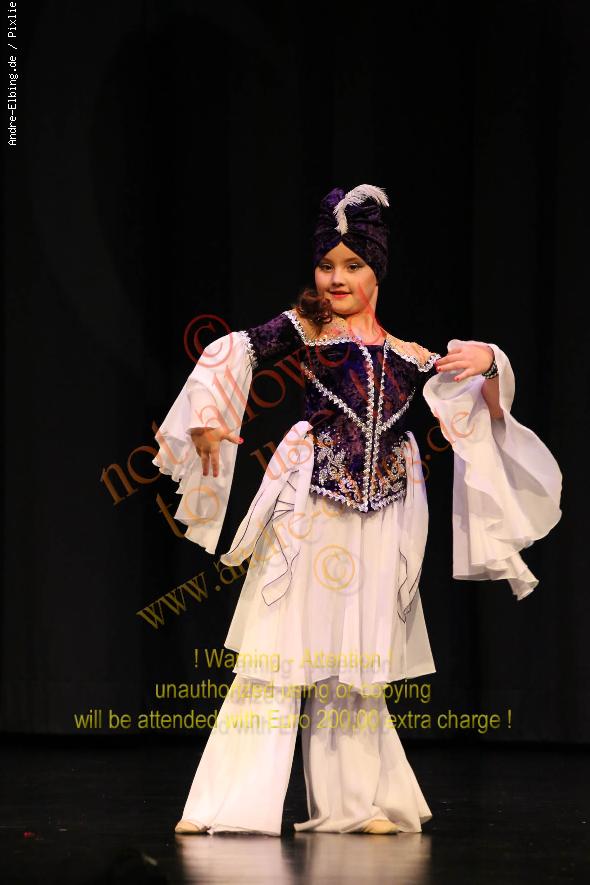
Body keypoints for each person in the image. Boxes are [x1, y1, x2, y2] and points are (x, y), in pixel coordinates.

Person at [152, 184, 563, 837]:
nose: (336, 278)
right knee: (275, 653)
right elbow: (238, 350)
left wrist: (491, 363)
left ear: (377, 272)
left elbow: (484, 411)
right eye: (326, 264)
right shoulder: (310, 327)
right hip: (310, 505)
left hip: (383, 515)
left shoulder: (409, 355)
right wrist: (205, 416)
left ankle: (357, 802)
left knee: (357, 662)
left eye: (352, 265)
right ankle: (222, 805)